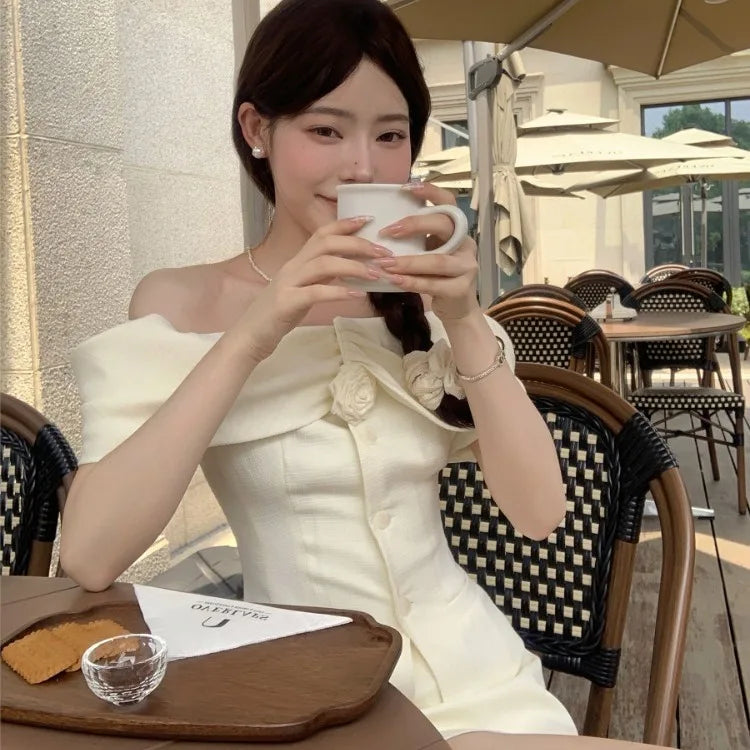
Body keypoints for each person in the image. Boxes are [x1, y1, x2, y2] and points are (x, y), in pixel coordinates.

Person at [61, 0, 577, 742]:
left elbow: (540, 514)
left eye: (390, 135)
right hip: (306, 698)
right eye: (325, 130)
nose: (362, 166)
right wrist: (255, 331)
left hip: (481, 682)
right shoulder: (181, 302)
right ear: (257, 129)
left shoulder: (429, 302)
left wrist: (465, 318)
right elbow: (90, 555)